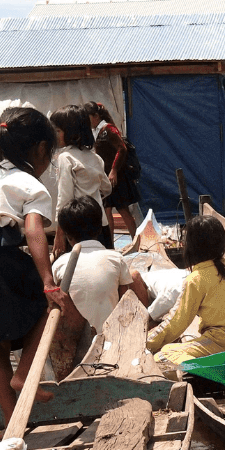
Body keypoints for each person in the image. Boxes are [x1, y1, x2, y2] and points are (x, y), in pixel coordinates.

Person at [0, 105, 70, 420]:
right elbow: (34, 230)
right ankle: (25, 374)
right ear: (42, 149)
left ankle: (10, 422)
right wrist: (48, 283)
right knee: (50, 305)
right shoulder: (31, 185)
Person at [146, 213, 225, 367]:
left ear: (191, 247)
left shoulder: (196, 279)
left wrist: (146, 343)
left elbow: (176, 323)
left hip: (222, 343)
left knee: (164, 355)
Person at [54, 198, 149, 332]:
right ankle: (143, 328)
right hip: (110, 337)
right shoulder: (116, 258)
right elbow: (126, 300)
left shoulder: (58, 265)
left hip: (73, 339)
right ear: (99, 229)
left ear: (68, 236)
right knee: (134, 276)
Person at [51, 104, 112, 250]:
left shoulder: (66, 158)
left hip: (77, 229)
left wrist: (59, 235)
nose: (55, 135)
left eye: (58, 131)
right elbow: (107, 188)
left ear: (72, 133)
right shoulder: (95, 158)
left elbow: (64, 200)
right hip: (100, 225)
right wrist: (92, 195)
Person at [86, 102, 140, 236]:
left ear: (96, 116)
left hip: (117, 177)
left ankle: (136, 241)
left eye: (89, 118)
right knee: (106, 210)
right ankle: (110, 245)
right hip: (105, 177)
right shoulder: (97, 131)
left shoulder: (109, 129)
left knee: (123, 209)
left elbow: (122, 149)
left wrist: (114, 170)